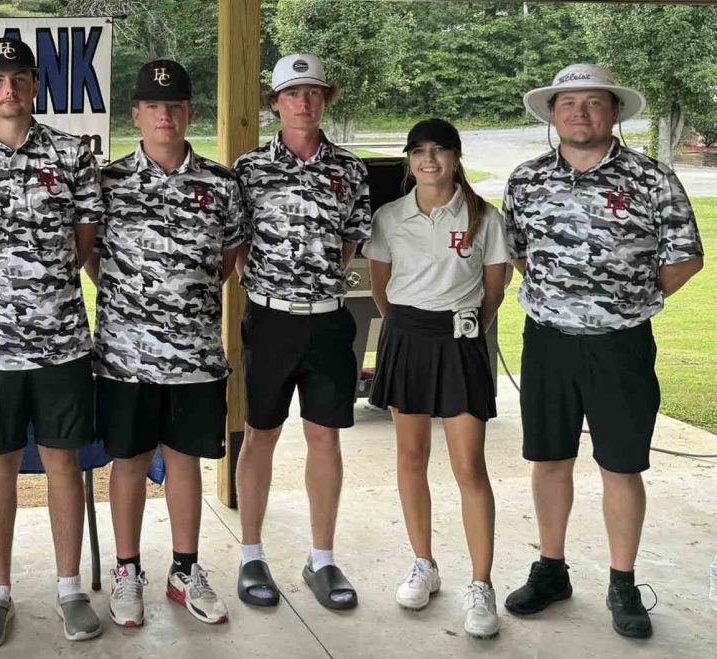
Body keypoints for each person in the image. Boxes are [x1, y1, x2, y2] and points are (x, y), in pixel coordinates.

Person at [502, 63, 704, 639]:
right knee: (549, 459)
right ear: (552, 114)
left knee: (621, 463)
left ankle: (622, 582)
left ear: (614, 113)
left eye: (593, 103)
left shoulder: (652, 178)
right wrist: (562, 298)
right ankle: (551, 569)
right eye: (569, 104)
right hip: (549, 342)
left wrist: (625, 299)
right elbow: (518, 251)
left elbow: (686, 255)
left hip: (621, 345)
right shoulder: (526, 179)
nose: (580, 114)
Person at [0, 37, 103, 645]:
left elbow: (86, 234)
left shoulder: (72, 152)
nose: (10, 88)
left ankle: (69, 589)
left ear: (36, 86)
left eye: (21, 78)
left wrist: (43, 286)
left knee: (63, 462)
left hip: (60, 341)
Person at [86, 59, 244, 628]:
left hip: (197, 356)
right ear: (135, 114)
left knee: (185, 462)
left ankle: (185, 571)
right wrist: (137, 304)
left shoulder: (221, 184)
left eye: (175, 106)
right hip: (125, 356)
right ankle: (128, 571)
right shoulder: (108, 183)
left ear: (189, 114)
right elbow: (91, 255)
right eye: (154, 106)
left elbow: (227, 259)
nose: (165, 115)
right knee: (126, 462)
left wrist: (182, 303)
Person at [232, 53, 371, 611]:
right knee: (259, 433)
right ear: (276, 104)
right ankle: (250, 554)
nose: (305, 101)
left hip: (330, 320)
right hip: (269, 320)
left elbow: (350, 243)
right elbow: (236, 244)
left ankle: (322, 558)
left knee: (325, 437)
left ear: (325, 101)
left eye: (314, 92)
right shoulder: (247, 170)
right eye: (293, 93)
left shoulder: (350, 170)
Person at [363, 118, 507, 638]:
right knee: (411, 457)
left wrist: (461, 330)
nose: (429, 160)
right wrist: (409, 328)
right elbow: (381, 288)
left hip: (462, 340)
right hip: (406, 339)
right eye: (419, 151)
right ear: (408, 160)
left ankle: (481, 584)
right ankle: (423, 563)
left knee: (469, 466)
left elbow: (494, 290)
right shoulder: (389, 217)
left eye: (440, 151)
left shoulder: (484, 217)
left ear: (456, 158)